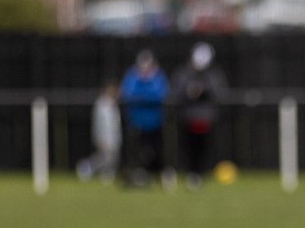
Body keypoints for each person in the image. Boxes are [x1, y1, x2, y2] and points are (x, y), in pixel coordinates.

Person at [172, 41, 228, 189]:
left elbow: (220, 93)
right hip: (188, 118)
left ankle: (202, 173)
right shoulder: (184, 73)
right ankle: (192, 174)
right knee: (189, 148)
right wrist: (189, 92)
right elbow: (177, 91)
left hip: (205, 119)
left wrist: (203, 91)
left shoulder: (213, 75)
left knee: (204, 149)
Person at [120, 48, 171, 188]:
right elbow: (128, 94)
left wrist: (144, 92)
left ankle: (159, 175)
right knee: (138, 153)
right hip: (137, 122)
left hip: (155, 122)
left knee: (157, 151)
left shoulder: (158, 77)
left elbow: (160, 95)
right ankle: (139, 176)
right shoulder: (132, 76)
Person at [76, 82, 122, 183]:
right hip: (105, 137)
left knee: (112, 158)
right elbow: (98, 124)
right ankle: (86, 167)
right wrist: (99, 138)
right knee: (104, 157)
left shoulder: (114, 105)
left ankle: (107, 174)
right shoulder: (101, 105)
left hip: (114, 137)